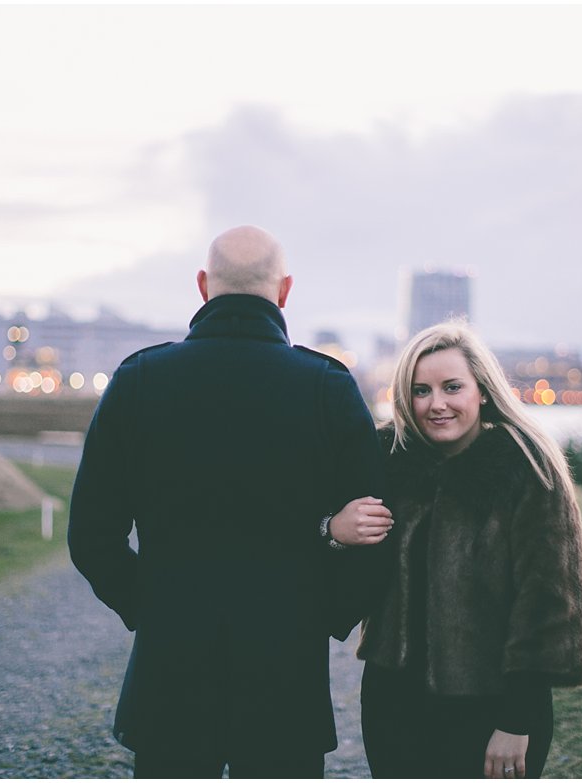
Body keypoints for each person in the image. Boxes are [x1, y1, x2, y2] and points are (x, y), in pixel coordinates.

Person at [68, 225, 389, 779]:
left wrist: (146, 605)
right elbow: (377, 527)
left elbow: (91, 535)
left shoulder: (141, 379)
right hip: (286, 668)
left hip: (170, 662)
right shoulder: (327, 387)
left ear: (202, 286)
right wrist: (325, 615)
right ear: (284, 291)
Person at [332, 320, 582, 779]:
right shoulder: (387, 459)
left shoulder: (526, 468)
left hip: (490, 705)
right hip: (393, 700)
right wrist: (332, 527)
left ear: (483, 390)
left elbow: (549, 605)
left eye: (452, 387)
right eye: (421, 391)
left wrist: (517, 719)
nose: (437, 404)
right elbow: (330, 547)